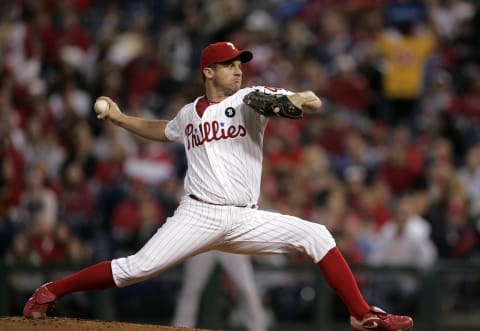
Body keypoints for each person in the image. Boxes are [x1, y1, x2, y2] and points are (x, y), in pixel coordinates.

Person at [23, 41, 414, 331]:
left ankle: (362, 315)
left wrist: (299, 100)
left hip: (245, 218)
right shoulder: (188, 114)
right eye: (229, 65)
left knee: (316, 235)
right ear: (209, 71)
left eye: (240, 63)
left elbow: (281, 102)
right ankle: (50, 291)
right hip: (198, 213)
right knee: (136, 268)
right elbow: (163, 130)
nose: (238, 69)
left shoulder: (247, 99)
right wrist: (123, 119)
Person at [172, 252, 266, 331]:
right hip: (204, 238)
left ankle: (258, 328)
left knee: (246, 288)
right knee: (191, 289)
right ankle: (181, 326)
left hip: (228, 238)